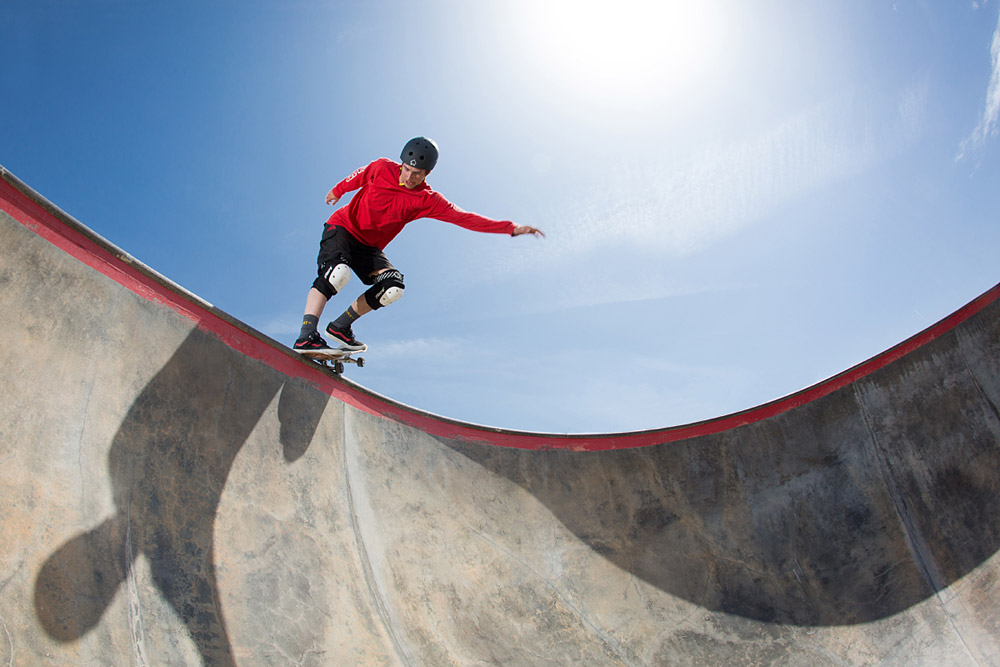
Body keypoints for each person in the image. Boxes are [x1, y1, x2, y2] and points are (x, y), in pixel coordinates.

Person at [294, 136, 545, 353]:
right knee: (336, 274)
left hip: (368, 247)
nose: (409, 177)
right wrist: (338, 191)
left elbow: (465, 218)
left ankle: (340, 326)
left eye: (417, 174)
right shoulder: (380, 167)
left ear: (427, 174)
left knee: (392, 287)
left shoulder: (428, 200)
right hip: (343, 227)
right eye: (406, 170)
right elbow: (358, 176)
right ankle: (306, 336)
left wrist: (510, 228)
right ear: (401, 163)